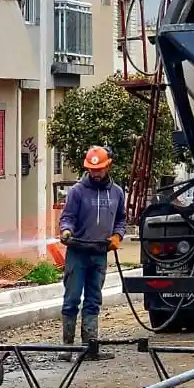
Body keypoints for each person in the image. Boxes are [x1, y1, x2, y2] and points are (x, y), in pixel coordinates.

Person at [58, 146, 127, 352]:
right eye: (91, 169)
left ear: (108, 166)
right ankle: (67, 348)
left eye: (99, 169)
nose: (95, 173)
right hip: (77, 252)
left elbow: (121, 219)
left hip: (99, 253)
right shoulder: (77, 191)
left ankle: (89, 346)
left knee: (93, 300)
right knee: (71, 299)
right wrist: (66, 230)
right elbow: (68, 217)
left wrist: (117, 235)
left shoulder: (117, 193)